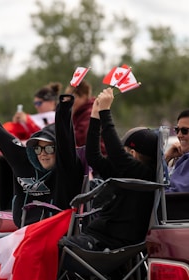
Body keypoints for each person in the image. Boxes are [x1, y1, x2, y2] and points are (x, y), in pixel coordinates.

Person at [0, 93, 84, 252]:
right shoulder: (23, 162)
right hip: (25, 235)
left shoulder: (67, 170)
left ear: (59, 151)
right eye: (38, 148)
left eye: (49, 147)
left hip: (52, 239)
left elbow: (66, 141)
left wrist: (64, 109)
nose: (42, 153)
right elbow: (1, 137)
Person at [66, 87, 158, 251]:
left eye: (125, 150)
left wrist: (105, 111)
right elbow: (94, 157)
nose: (122, 152)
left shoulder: (145, 174)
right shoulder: (125, 171)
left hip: (112, 243)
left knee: (55, 248)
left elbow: (116, 154)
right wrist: (94, 117)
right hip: (95, 236)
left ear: (133, 153)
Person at [164, 109, 189, 192]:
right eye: (177, 130)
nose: (179, 135)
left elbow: (176, 195)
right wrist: (167, 157)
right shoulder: (182, 159)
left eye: (184, 131)